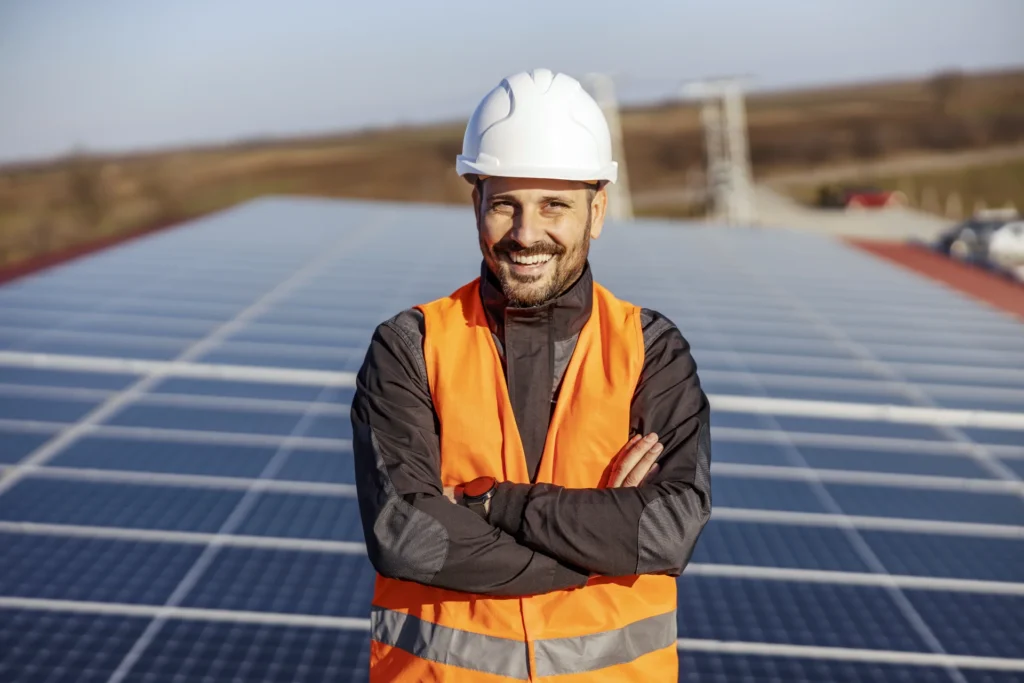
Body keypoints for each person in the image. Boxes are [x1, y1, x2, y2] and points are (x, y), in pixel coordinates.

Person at [351, 67, 712, 682]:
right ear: (476, 205)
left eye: (555, 206)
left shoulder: (651, 350)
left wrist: (492, 503)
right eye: (506, 206)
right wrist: (601, 542)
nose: (526, 234)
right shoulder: (410, 346)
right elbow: (410, 539)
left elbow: (665, 533)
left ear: (597, 211)